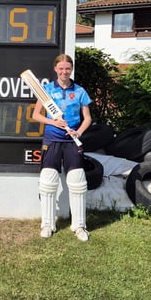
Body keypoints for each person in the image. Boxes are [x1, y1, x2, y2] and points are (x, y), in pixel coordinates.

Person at [31, 54, 92, 241]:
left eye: (68, 68)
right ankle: (48, 225)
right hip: (52, 139)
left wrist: (78, 132)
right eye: (61, 68)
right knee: (48, 182)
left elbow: (87, 118)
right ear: (56, 69)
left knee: (78, 183)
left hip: (71, 141)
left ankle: (79, 226)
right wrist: (53, 122)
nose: (64, 72)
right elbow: (36, 115)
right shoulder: (46, 90)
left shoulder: (80, 91)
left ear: (71, 69)